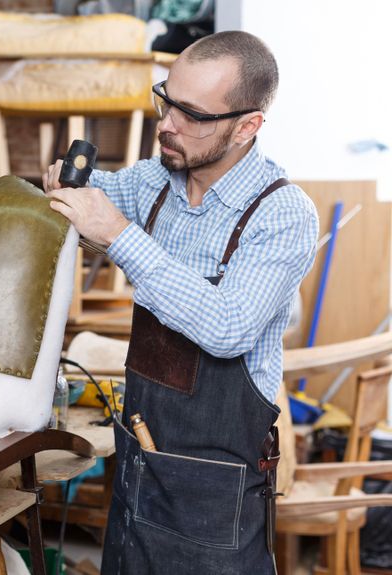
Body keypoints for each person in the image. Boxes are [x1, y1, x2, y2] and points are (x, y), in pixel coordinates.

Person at [43, 31, 319, 573]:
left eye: (191, 114)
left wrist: (118, 234)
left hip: (214, 496)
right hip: (137, 471)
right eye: (165, 99)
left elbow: (228, 326)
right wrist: (66, 188)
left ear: (247, 126)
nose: (166, 124)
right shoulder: (153, 181)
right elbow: (90, 197)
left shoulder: (282, 215)